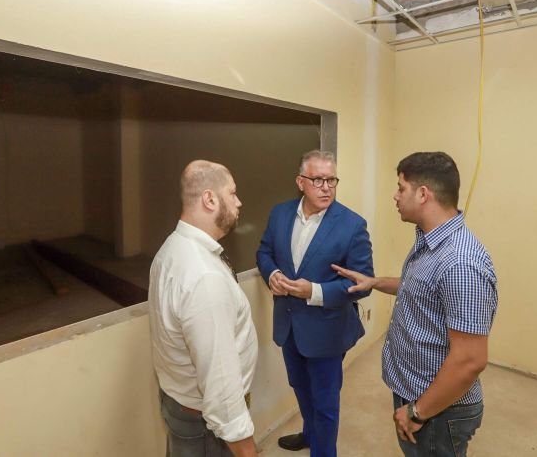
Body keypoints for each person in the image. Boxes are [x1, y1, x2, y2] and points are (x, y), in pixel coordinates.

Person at [332, 151, 498, 457]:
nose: (395, 196)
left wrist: (417, 412)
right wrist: (375, 282)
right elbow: (421, 290)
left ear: (423, 194)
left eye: (401, 188)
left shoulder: (462, 264)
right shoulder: (430, 240)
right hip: (417, 394)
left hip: (437, 409)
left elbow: (470, 360)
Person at [256, 150, 373, 457]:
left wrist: (314, 291)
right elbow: (264, 253)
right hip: (289, 325)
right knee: (301, 388)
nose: (326, 187)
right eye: (318, 179)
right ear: (300, 182)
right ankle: (310, 434)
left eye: (331, 179)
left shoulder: (352, 225)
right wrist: (273, 275)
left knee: (325, 404)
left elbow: (362, 284)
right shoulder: (280, 214)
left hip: (327, 331)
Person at [149, 160, 258, 457]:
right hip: (206, 426)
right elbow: (221, 391)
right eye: (232, 193)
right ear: (210, 199)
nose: (239, 201)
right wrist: (247, 451)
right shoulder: (204, 278)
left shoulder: (172, 248)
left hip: (179, 403)